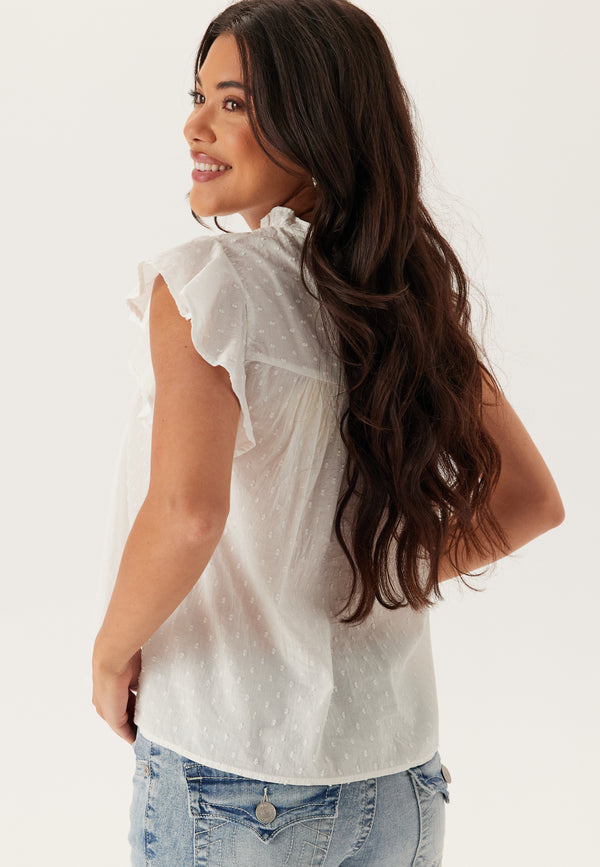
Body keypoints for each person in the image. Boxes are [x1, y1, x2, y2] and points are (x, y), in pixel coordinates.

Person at [92, 1, 564, 864]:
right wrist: (382, 571)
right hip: (400, 779)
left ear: (317, 120)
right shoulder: (406, 300)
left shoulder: (205, 284)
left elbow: (188, 512)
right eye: (198, 96)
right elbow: (529, 499)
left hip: (233, 770)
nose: (194, 126)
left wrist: (111, 650)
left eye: (234, 103)